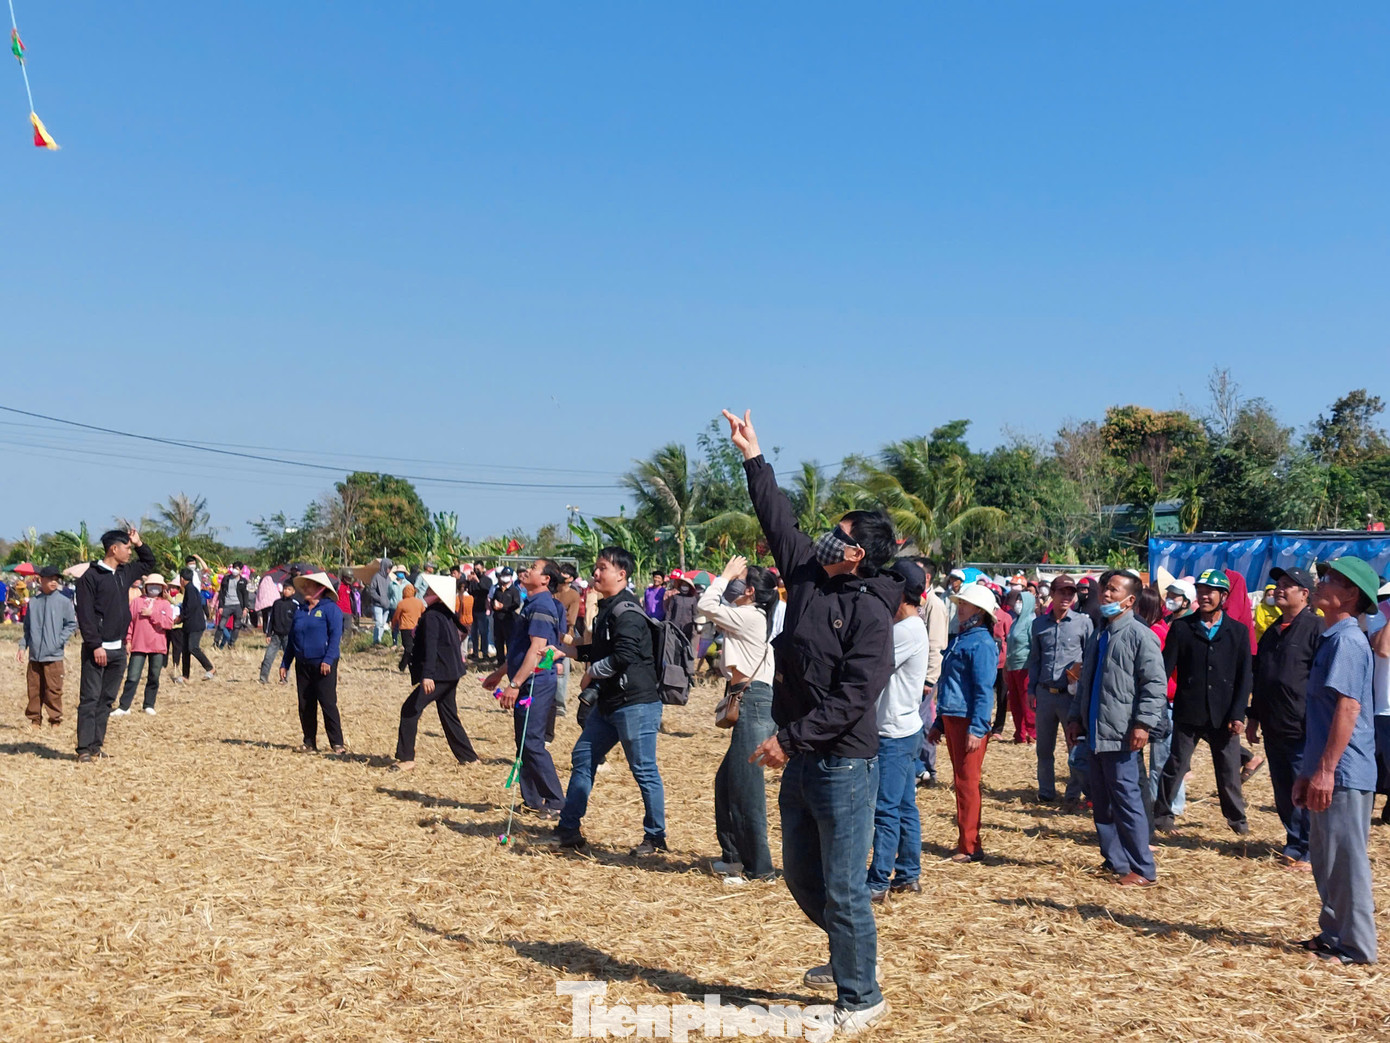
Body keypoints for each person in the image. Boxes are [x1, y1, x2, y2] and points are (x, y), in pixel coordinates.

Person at [723, 408, 897, 1035]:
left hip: (845, 762)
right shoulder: (805, 571)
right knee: (801, 872)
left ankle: (860, 995)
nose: (822, 536)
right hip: (800, 757)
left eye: (838, 533)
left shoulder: (872, 615)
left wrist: (787, 739)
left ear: (856, 553)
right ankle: (851, 952)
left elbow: (853, 699)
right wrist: (752, 455)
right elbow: (775, 513)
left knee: (846, 887)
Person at [1293, 557, 1380, 965]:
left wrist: (1325, 770)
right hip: (1328, 770)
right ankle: (1334, 932)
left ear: (1350, 595)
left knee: (1346, 861)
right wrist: (1309, 771)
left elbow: (1347, 710)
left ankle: (1358, 947)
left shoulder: (1347, 641)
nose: (1319, 582)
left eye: (1329, 579)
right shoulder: (1333, 637)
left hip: (1344, 772)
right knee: (1326, 858)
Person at [554, 546, 667, 855]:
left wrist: (591, 674)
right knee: (583, 757)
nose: (595, 573)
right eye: (596, 567)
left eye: (602, 567)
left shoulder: (627, 611)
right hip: (611, 703)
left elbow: (624, 656)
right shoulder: (608, 607)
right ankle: (568, 830)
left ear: (621, 574)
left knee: (644, 769)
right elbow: (599, 650)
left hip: (637, 703)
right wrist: (564, 651)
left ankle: (655, 838)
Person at [1065, 572, 1167, 885]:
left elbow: (1154, 684)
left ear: (1130, 600)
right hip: (1096, 731)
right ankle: (1115, 860)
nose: (1105, 594)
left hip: (1122, 734)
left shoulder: (1139, 635)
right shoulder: (1100, 634)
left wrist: (1143, 723)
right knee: (1103, 800)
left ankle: (1142, 869)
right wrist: (1075, 717)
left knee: (1127, 801)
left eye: (1112, 589)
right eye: (1103, 589)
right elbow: (1086, 683)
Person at [699, 555, 780, 885]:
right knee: (728, 781)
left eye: (738, 581)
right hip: (751, 699)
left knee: (747, 787)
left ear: (748, 591)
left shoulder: (749, 616)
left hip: (755, 701)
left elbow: (706, 604)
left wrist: (723, 574)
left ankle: (760, 869)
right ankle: (734, 856)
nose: (731, 584)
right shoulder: (749, 614)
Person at [1153, 569, 1252, 836]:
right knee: (1175, 765)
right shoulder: (1182, 628)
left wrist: (1238, 714)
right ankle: (1162, 815)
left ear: (1224, 596)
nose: (1205, 596)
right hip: (1188, 710)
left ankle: (1237, 821)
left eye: (1211, 591)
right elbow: (1165, 667)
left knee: (1229, 771)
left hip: (1224, 713)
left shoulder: (1238, 632)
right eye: (1201, 590)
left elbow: (1245, 677)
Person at [1249, 566, 1319, 870]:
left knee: (1302, 787)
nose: (1280, 589)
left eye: (1288, 585)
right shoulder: (1274, 630)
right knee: (1283, 789)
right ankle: (1293, 841)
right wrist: (1254, 718)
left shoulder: (1316, 629)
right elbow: (1261, 678)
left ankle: (1310, 848)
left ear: (1304, 594)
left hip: (1302, 724)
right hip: (1274, 723)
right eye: (1278, 584)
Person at [484, 559, 567, 817]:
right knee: (523, 742)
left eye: (534, 568)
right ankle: (532, 800)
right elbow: (521, 648)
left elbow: (536, 650)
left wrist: (515, 684)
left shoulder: (542, 605)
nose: (527, 570)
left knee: (531, 742)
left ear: (545, 579)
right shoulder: (532, 602)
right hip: (527, 678)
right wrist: (501, 672)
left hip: (536, 683)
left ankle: (555, 801)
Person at [868, 559, 931, 901]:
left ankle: (878, 881)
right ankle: (908, 873)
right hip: (906, 728)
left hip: (893, 733)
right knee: (905, 805)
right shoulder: (912, 626)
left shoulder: (905, 631)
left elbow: (872, 663)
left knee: (886, 809)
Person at [930, 582, 998, 863]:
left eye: (965, 605)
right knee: (962, 782)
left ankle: (969, 845)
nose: (960, 609)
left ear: (979, 612)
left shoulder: (980, 643)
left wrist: (978, 727)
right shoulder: (963, 638)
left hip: (967, 721)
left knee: (967, 782)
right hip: (955, 718)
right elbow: (950, 685)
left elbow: (984, 689)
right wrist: (940, 722)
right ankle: (968, 841)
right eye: (959, 604)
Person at [74, 529, 156, 762]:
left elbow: (149, 562)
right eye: (127, 548)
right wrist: (95, 645)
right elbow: (86, 615)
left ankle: (96, 746)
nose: (130, 552)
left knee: (107, 699)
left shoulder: (124, 572)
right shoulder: (90, 577)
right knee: (90, 698)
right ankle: (83, 750)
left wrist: (139, 542)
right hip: (97, 649)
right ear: (114, 549)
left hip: (118, 649)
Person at [392, 574, 479, 771]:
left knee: (409, 710)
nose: (426, 592)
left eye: (430, 590)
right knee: (449, 715)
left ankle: (406, 759)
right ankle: (469, 757)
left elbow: (432, 647)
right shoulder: (443, 612)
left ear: (438, 595)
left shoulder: (432, 616)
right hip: (452, 672)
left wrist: (428, 675)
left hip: (439, 674)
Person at [1026, 574, 1094, 803]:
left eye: (1070, 593)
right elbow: (1035, 659)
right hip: (1045, 693)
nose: (1066, 597)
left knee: (1075, 748)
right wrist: (1031, 690)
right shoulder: (1038, 624)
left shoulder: (1083, 623)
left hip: (1071, 697)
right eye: (1061, 592)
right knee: (1044, 749)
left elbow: (1090, 658)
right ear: (1052, 594)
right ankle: (1046, 792)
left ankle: (1073, 794)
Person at [279, 572, 346, 754]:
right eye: (305, 586)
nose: (305, 589)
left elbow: (335, 637)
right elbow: (292, 639)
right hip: (303, 663)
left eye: (309, 586)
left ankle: (337, 743)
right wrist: (285, 663)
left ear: (321, 589)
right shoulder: (300, 610)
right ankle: (309, 742)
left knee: (328, 703)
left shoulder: (331, 609)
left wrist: (328, 659)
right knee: (305, 704)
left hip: (323, 663)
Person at [17, 564, 77, 730]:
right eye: (49, 579)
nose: (53, 582)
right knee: (34, 688)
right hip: (35, 654)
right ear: (40, 580)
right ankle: (35, 719)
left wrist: (58, 641)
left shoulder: (64, 602)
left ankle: (55, 719)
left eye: (55, 579)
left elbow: (71, 624)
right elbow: (27, 628)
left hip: (54, 655)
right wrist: (23, 646)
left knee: (54, 689)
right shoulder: (34, 602)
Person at [114, 574, 175, 716]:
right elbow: (129, 623)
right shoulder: (136, 602)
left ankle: (149, 704)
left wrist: (152, 614)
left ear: (162, 588)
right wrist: (128, 640)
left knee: (154, 676)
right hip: (138, 644)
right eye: (152, 585)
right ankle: (124, 706)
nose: (154, 588)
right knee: (132, 676)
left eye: (158, 586)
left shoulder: (165, 604)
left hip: (158, 645)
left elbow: (168, 623)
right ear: (146, 586)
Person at [913, 558, 948, 786]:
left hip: (925, 676)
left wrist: (930, 678)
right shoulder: (919, 601)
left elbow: (936, 644)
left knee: (924, 723)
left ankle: (928, 770)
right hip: (915, 674)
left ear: (926, 577)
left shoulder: (933, 604)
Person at [1004, 590, 1037, 743]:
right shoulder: (1016, 622)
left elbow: (1034, 646)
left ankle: (1032, 733)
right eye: (1017, 601)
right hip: (1012, 666)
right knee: (1016, 702)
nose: (1017, 604)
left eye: (1021, 601)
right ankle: (1020, 733)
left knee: (1027, 702)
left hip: (1025, 666)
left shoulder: (1031, 622)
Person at [177, 566, 216, 681]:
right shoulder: (190, 589)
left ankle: (210, 668)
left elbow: (190, 608)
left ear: (182, 579)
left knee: (193, 647)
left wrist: (180, 617)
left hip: (195, 625)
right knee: (185, 650)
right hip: (189, 624)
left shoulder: (191, 590)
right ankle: (185, 675)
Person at [259, 580, 298, 684]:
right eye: (285, 589)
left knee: (287, 659)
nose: (286, 591)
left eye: (289, 589)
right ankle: (263, 678)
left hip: (288, 636)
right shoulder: (277, 603)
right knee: (268, 656)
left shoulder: (295, 605)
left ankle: (284, 679)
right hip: (276, 635)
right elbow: (271, 619)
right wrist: (268, 633)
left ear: (293, 591)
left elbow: (297, 621)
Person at [392, 583, 426, 674]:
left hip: (405, 629)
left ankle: (402, 666)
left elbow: (396, 617)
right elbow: (424, 614)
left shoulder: (401, 603)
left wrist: (393, 626)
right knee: (415, 649)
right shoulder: (419, 602)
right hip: (417, 628)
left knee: (408, 649)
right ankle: (413, 666)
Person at [491, 568, 521, 664]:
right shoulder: (498, 590)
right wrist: (494, 605)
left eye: (507, 575)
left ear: (511, 577)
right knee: (498, 641)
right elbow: (493, 600)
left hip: (508, 619)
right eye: (503, 575)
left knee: (509, 641)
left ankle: (510, 661)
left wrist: (503, 607)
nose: (504, 578)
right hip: (497, 619)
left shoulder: (514, 591)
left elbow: (516, 604)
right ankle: (500, 661)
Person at [216, 564, 250, 648]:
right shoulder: (226, 579)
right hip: (227, 604)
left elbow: (245, 595)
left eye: (237, 569)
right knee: (221, 625)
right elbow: (221, 593)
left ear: (241, 571)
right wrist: (220, 606)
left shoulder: (243, 581)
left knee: (237, 626)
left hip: (238, 605)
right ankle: (216, 642)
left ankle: (231, 643)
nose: (235, 570)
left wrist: (245, 608)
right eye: (234, 568)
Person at [466, 563, 493, 661]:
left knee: (484, 632)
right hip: (473, 609)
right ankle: (475, 653)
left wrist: (478, 581)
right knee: (474, 632)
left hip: (483, 610)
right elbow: (469, 592)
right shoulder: (472, 580)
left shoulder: (487, 580)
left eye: (478, 569)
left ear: (482, 569)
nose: (476, 571)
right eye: (475, 569)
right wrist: (468, 582)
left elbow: (486, 590)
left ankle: (485, 653)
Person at [369, 557, 394, 645]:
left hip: (387, 606)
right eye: (388, 568)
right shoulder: (376, 577)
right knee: (379, 623)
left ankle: (379, 640)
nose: (389, 570)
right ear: (384, 566)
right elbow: (371, 590)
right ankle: (376, 640)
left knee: (383, 624)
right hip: (378, 605)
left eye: (391, 568)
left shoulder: (389, 579)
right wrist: (380, 598)